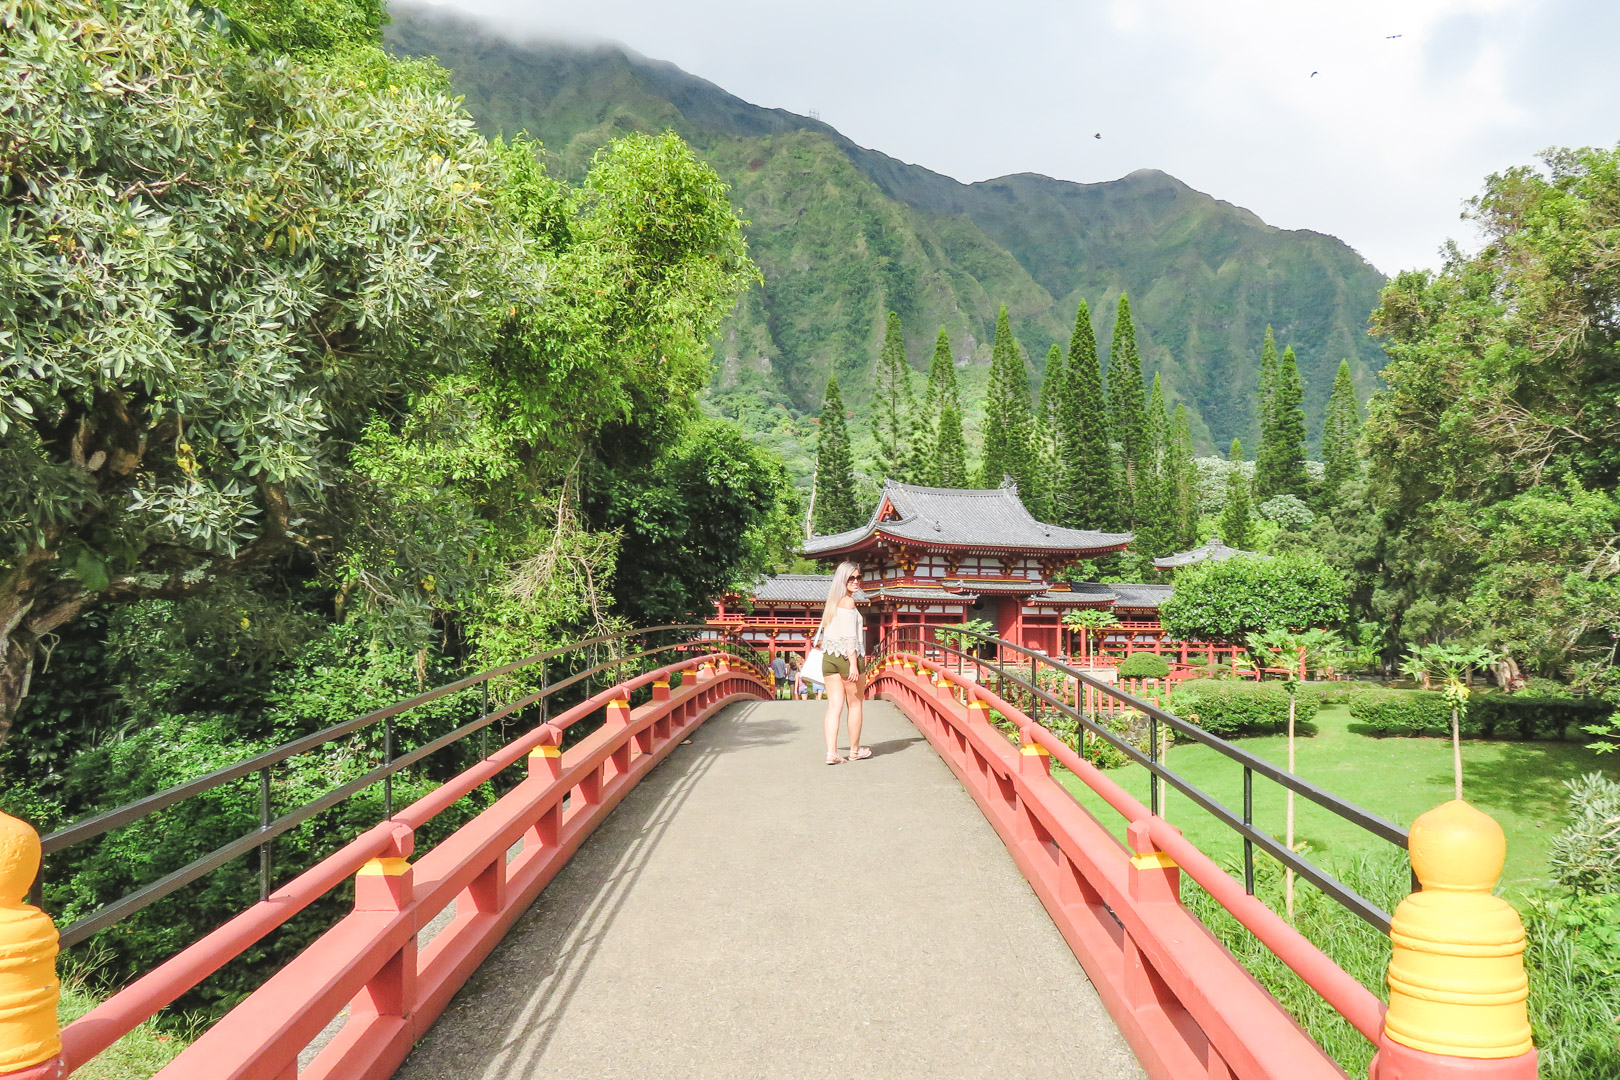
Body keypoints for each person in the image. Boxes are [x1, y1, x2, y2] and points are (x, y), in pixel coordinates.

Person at [814, 561, 867, 764]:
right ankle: (854, 751)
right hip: (847, 658)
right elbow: (849, 638)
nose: (855, 581)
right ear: (842, 580)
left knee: (834, 706)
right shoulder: (848, 602)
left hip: (829, 658)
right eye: (850, 578)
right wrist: (853, 664)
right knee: (855, 704)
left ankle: (831, 753)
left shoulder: (832, 602)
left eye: (858, 577)